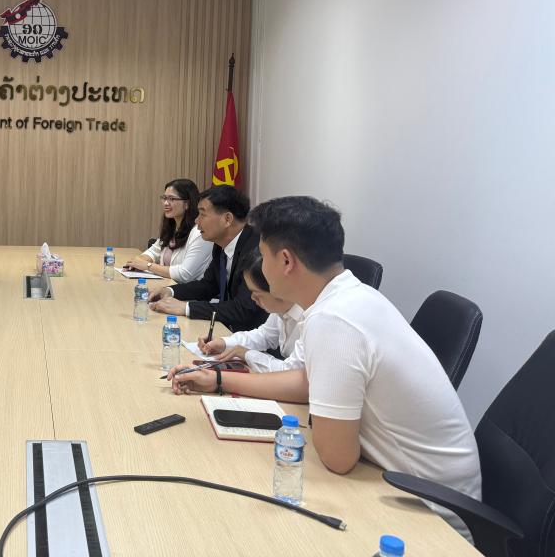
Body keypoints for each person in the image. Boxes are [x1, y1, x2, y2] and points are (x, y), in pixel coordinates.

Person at [168, 196, 481, 538]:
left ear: (286, 261)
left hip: (434, 516)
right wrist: (217, 379)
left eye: (264, 254)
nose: (260, 267)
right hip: (416, 487)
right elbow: (305, 383)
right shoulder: (352, 296)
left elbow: (337, 458)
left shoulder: (334, 319)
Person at [148, 185, 266, 332]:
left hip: (254, 337)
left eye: (202, 214)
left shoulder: (256, 251)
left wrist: (186, 307)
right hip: (228, 330)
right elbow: (208, 286)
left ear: (227, 219)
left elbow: (243, 308)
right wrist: (169, 291)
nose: (196, 220)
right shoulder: (220, 244)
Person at [200, 249, 305, 373]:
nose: (253, 298)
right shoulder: (281, 308)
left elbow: (292, 372)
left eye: (257, 293)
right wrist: (224, 343)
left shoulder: (311, 316)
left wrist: (247, 354)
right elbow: (265, 335)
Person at [125, 179, 212, 282]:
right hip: (167, 285)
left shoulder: (199, 233)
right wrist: (138, 262)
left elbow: (185, 274)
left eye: (172, 199)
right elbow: (153, 252)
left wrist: (148, 266)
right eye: (164, 198)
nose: (166, 203)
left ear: (187, 204)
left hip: (188, 290)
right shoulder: (173, 228)